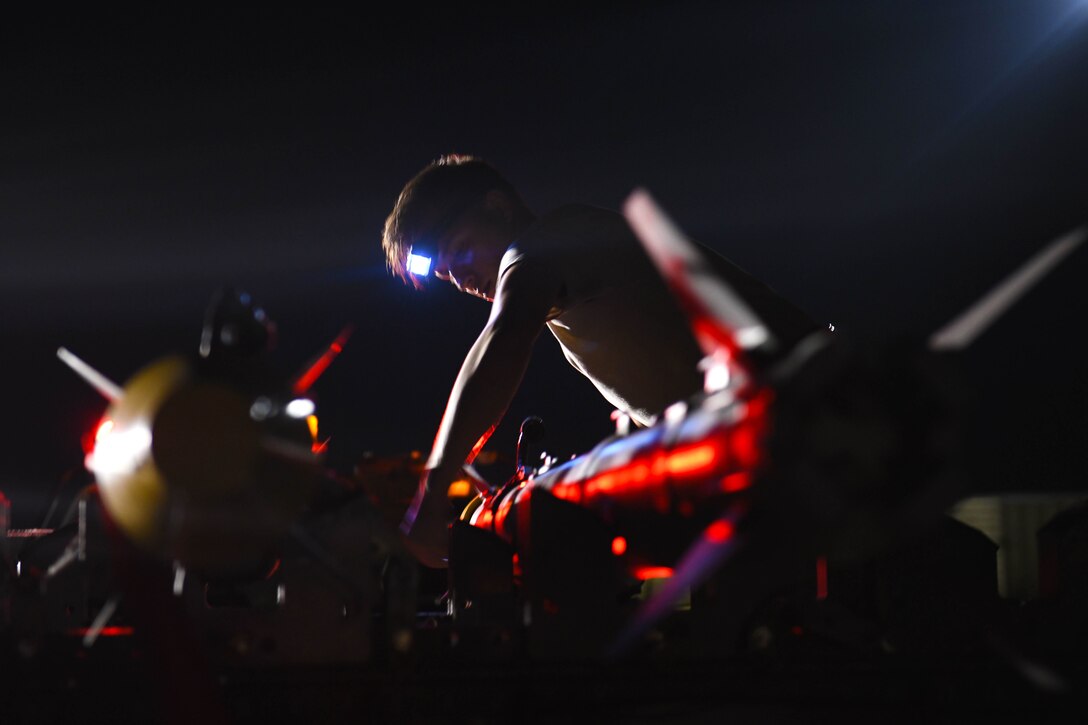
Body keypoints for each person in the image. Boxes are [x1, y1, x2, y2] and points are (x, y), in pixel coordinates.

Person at [383, 155, 818, 567]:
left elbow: (504, 341)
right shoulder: (570, 276)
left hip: (813, 415)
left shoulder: (549, 242)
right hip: (782, 441)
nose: (460, 279)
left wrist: (433, 490)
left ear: (497, 207)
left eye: (460, 250)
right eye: (445, 274)